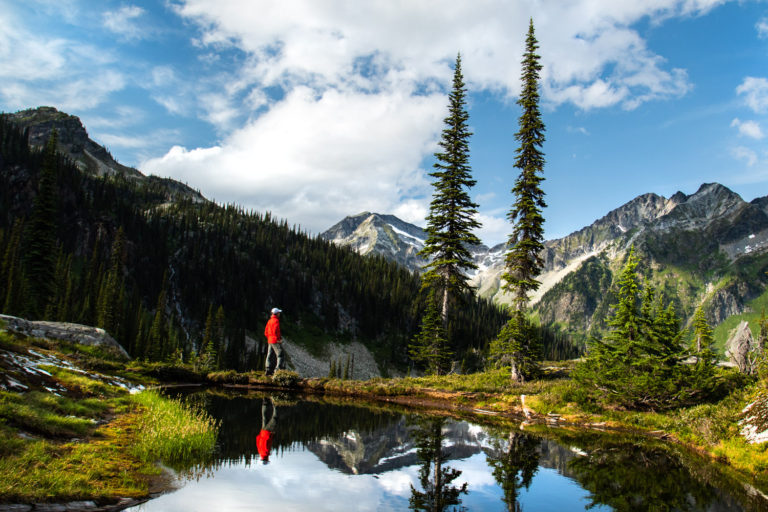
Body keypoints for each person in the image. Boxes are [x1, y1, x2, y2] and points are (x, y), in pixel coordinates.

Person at [256, 396, 277, 464]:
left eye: (268, 460)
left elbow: (267, 441)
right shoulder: (260, 452)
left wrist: (271, 435)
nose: (268, 459)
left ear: (266, 459)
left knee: (275, 418)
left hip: (267, 432)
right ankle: (264, 401)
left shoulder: (266, 452)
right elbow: (257, 439)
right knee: (264, 417)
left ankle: (274, 402)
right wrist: (261, 434)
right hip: (262, 432)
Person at [264, 307, 284, 376]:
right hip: (275, 340)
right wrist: (279, 340)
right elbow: (277, 331)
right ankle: (277, 370)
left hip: (270, 340)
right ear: (277, 313)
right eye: (279, 313)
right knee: (280, 355)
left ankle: (268, 369)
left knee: (269, 354)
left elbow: (266, 332)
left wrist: (269, 338)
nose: (279, 314)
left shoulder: (269, 321)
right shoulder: (276, 321)